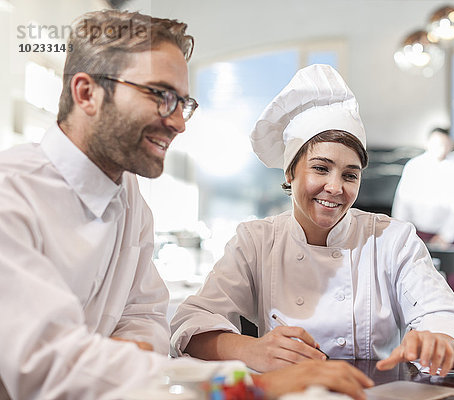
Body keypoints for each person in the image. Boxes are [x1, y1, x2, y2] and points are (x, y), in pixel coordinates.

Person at [0, 11, 371, 400]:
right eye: (161, 96)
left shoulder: (129, 198)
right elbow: (47, 364)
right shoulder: (12, 194)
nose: (178, 122)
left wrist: (128, 363)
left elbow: (143, 315)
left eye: (182, 102)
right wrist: (252, 385)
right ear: (87, 93)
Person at [170, 64, 454, 378]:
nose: (336, 187)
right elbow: (191, 324)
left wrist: (442, 343)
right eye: (321, 168)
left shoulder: (392, 239)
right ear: (290, 172)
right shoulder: (256, 240)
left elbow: (450, 320)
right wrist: (249, 348)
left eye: (350, 175)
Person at [391, 127, 454, 248]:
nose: (440, 147)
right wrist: (400, 231)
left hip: (445, 239)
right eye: (436, 143)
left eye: (444, 143)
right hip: (415, 234)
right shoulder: (414, 166)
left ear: (450, 145)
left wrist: (446, 235)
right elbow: (402, 201)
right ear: (428, 143)